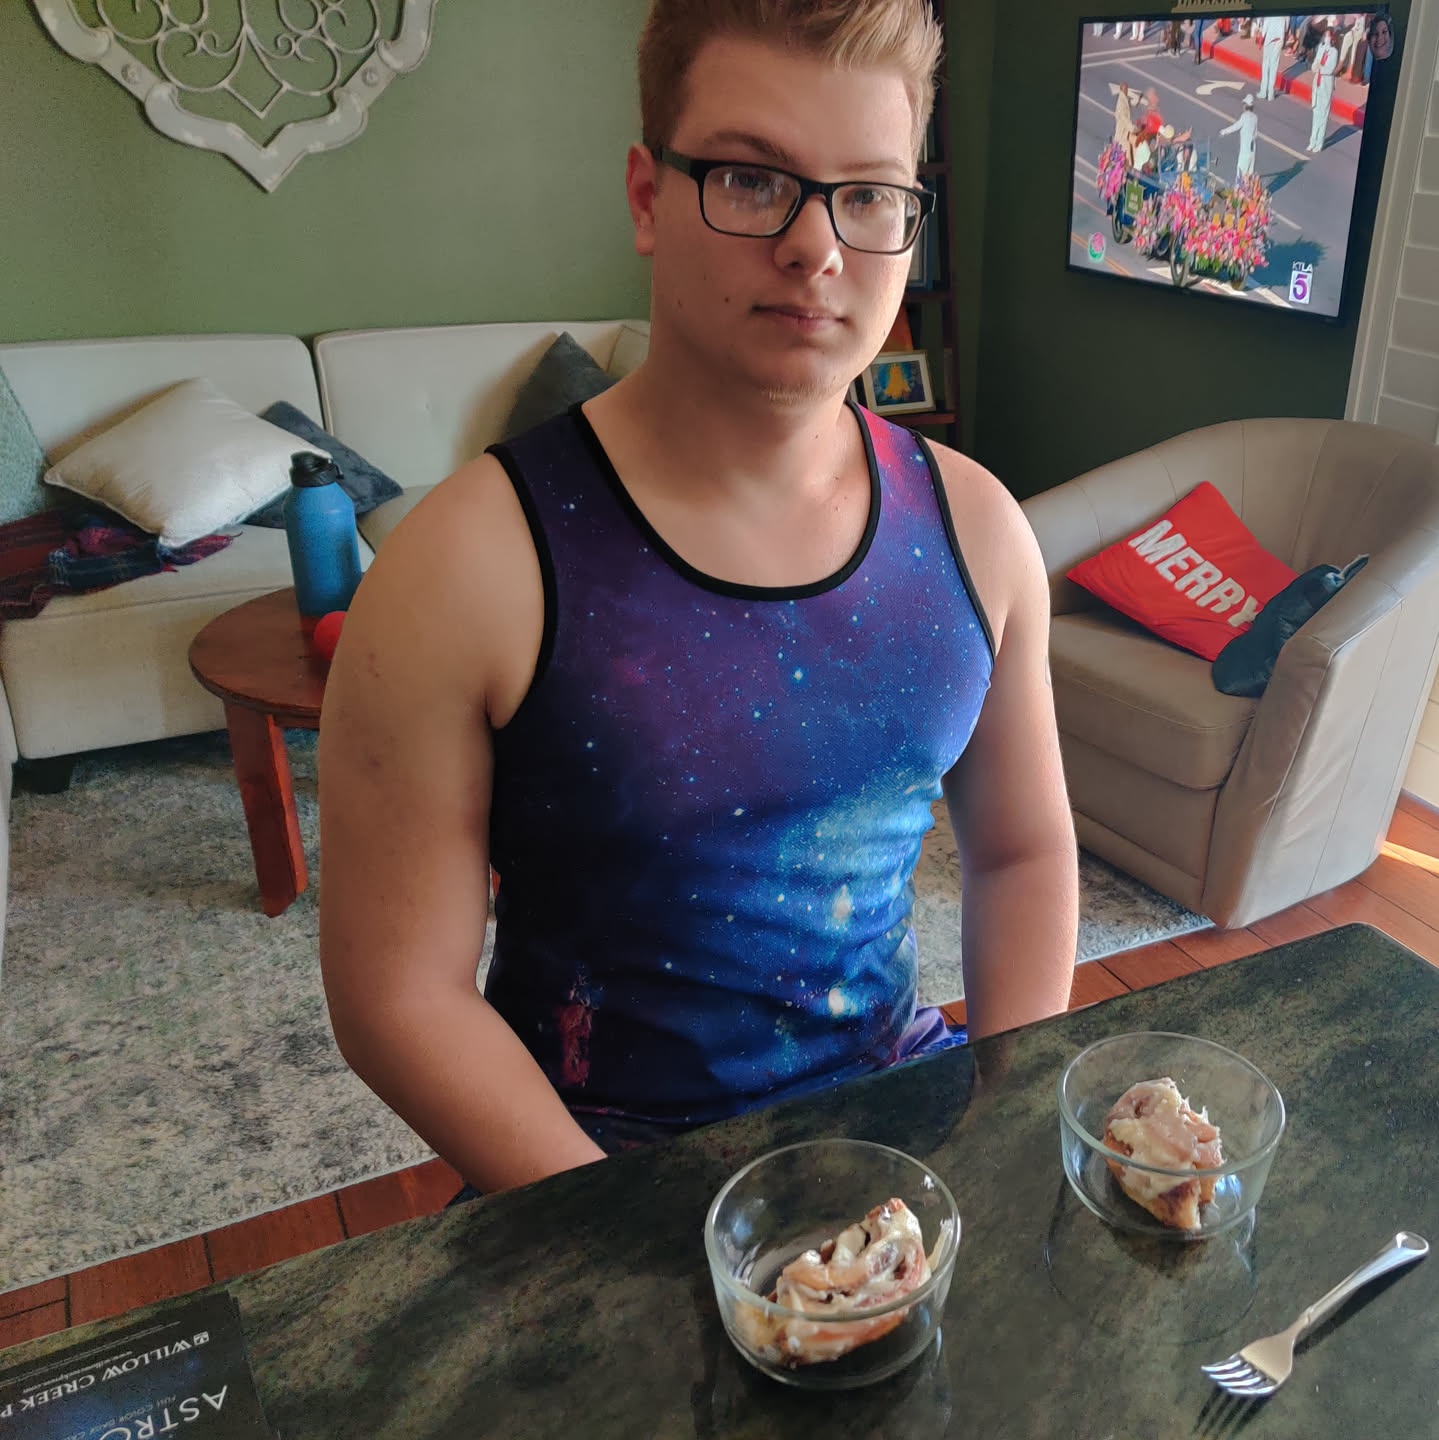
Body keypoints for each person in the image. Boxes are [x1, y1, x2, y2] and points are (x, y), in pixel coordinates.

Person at [318, 0, 1079, 1196]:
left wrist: (1004, 1112)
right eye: (752, 179)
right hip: (589, 1181)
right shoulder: (463, 567)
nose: (816, 248)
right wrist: (623, 1236)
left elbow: (1024, 852)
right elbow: (397, 995)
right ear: (646, 197)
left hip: (903, 1138)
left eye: (869, 195)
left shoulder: (981, 534)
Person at [1307, 25, 1339, 153]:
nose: (1326, 38)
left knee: (1323, 115)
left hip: (1326, 84)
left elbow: (1328, 69)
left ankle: (1319, 143)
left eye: (1328, 36)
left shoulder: (1334, 52)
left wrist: (1320, 66)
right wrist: (1318, 64)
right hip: (1317, 83)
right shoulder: (1321, 49)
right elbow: (1314, 66)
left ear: (1332, 38)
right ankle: (1312, 141)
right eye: (1325, 35)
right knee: (1316, 113)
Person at [1221, 94, 1260, 180]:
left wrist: (1224, 132)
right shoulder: (1255, 117)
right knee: (1249, 175)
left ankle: (1239, 188)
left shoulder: (1244, 116)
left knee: (1240, 175)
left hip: (1245, 151)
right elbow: (1256, 134)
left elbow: (1236, 126)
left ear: (1245, 106)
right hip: (1252, 150)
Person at [1258, 15, 1286, 101]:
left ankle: (1263, 92)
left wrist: (1260, 41)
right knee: (1274, 66)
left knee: (1266, 65)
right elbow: (1286, 28)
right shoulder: (1284, 16)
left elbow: (1264, 28)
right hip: (1279, 40)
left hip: (1269, 39)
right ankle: (1271, 94)